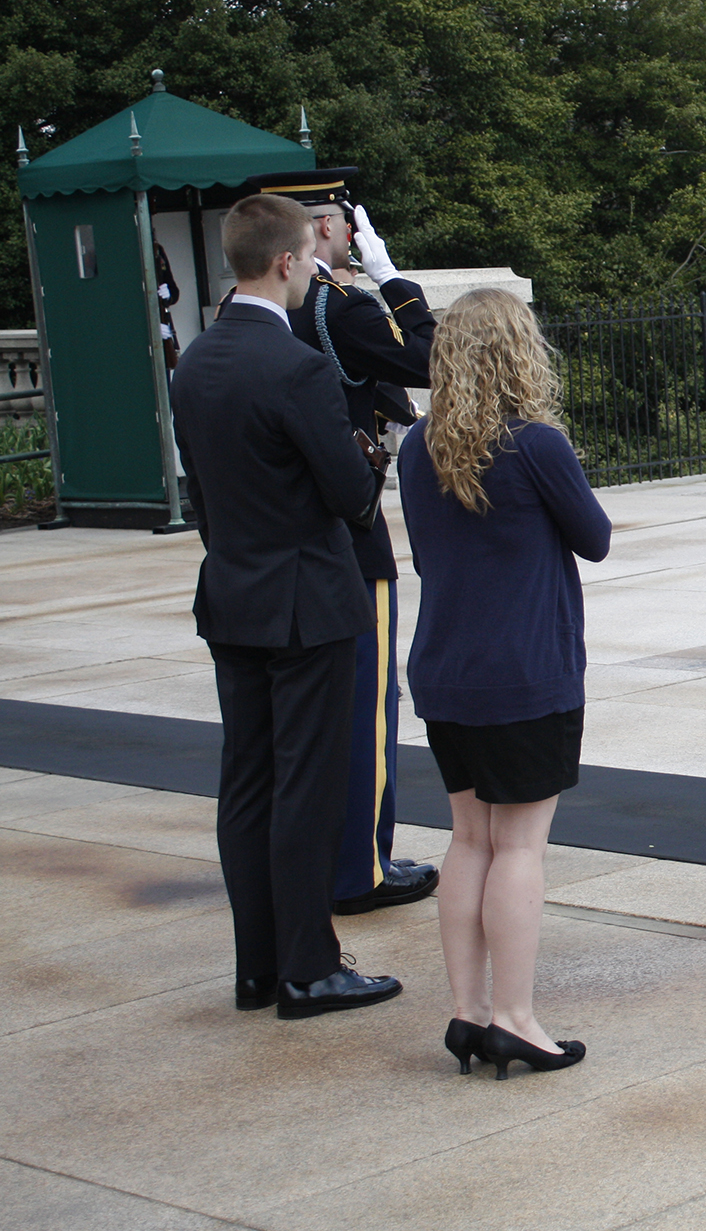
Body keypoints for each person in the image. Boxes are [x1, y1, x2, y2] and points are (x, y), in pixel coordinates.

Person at [169, 192, 403, 1020]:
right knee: (305, 785)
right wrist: (362, 456)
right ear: (283, 262)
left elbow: (203, 492)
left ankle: (257, 966)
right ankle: (309, 967)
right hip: (307, 602)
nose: (314, 268)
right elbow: (348, 496)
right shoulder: (295, 366)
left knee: (248, 782)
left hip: (234, 593)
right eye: (309, 257)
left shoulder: (193, 363)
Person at [397, 288, 611, 1080]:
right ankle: (516, 1019)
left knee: (469, 839)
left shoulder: (417, 447)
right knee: (519, 844)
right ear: (521, 353)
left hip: (447, 667)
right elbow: (594, 539)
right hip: (523, 671)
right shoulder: (536, 444)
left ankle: (469, 1011)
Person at [241, 169, 439, 918]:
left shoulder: (238, 320)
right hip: (348, 538)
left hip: (267, 548)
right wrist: (392, 278)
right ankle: (362, 868)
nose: (357, 238)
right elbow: (430, 359)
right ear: (323, 229)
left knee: (297, 726)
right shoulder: (337, 309)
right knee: (366, 709)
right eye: (351, 225)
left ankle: (315, 862)